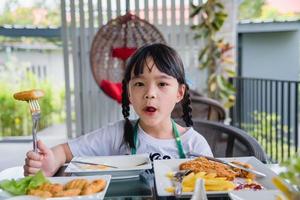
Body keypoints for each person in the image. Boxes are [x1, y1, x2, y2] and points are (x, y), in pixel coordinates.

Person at [24, 43, 213, 177]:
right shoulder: (118, 134)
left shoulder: (195, 145)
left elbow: (212, 185)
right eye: (139, 84)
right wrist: (48, 163)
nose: (150, 93)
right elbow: (64, 152)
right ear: (129, 93)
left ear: (180, 92)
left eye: (162, 83)